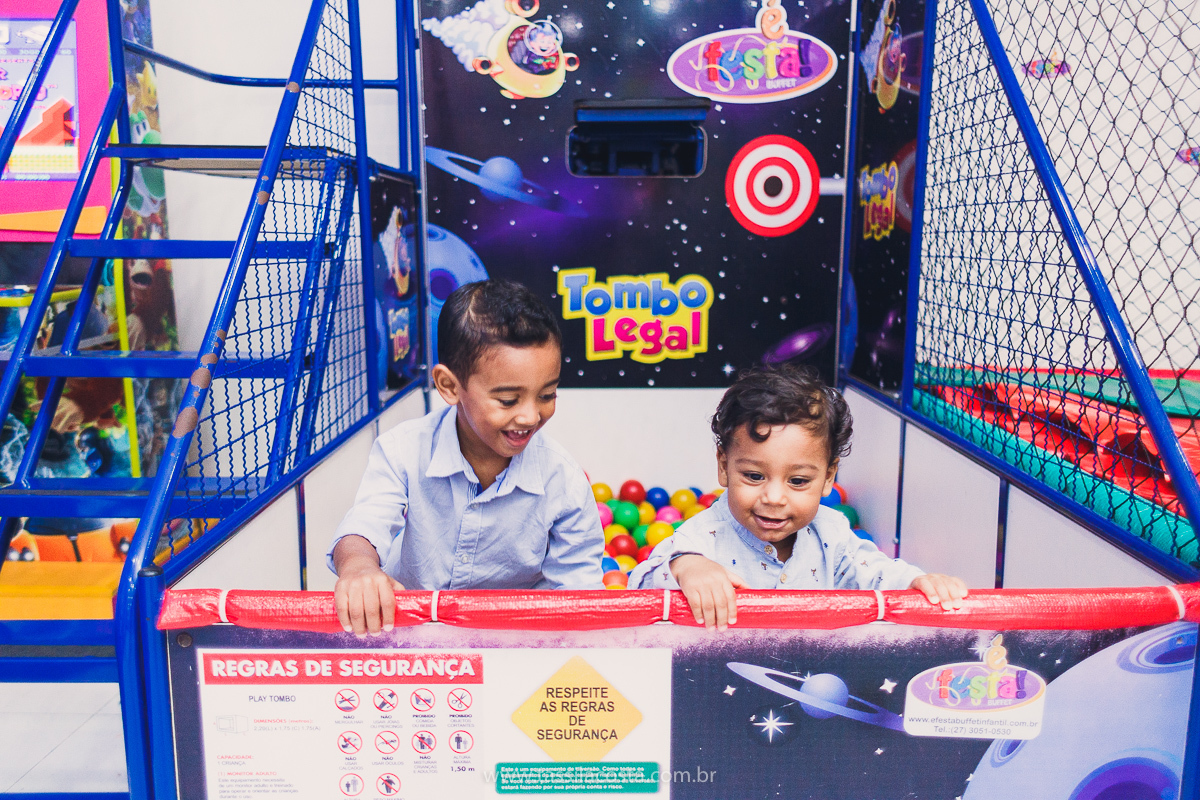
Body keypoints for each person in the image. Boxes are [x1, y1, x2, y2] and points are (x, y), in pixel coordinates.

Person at [329, 280, 604, 635]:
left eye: (547, 394)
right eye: (507, 400)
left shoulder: (563, 480)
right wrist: (359, 568)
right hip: (413, 636)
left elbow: (578, 593)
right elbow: (365, 525)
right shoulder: (403, 450)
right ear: (449, 386)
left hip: (513, 644)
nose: (530, 416)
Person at [628, 364, 968, 630]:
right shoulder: (702, 539)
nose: (774, 497)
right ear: (724, 466)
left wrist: (916, 581)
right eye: (754, 476)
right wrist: (687, 567)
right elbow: (639, 588)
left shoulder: (832, 535)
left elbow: (877, 572)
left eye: (798, 480)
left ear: (829, 477)